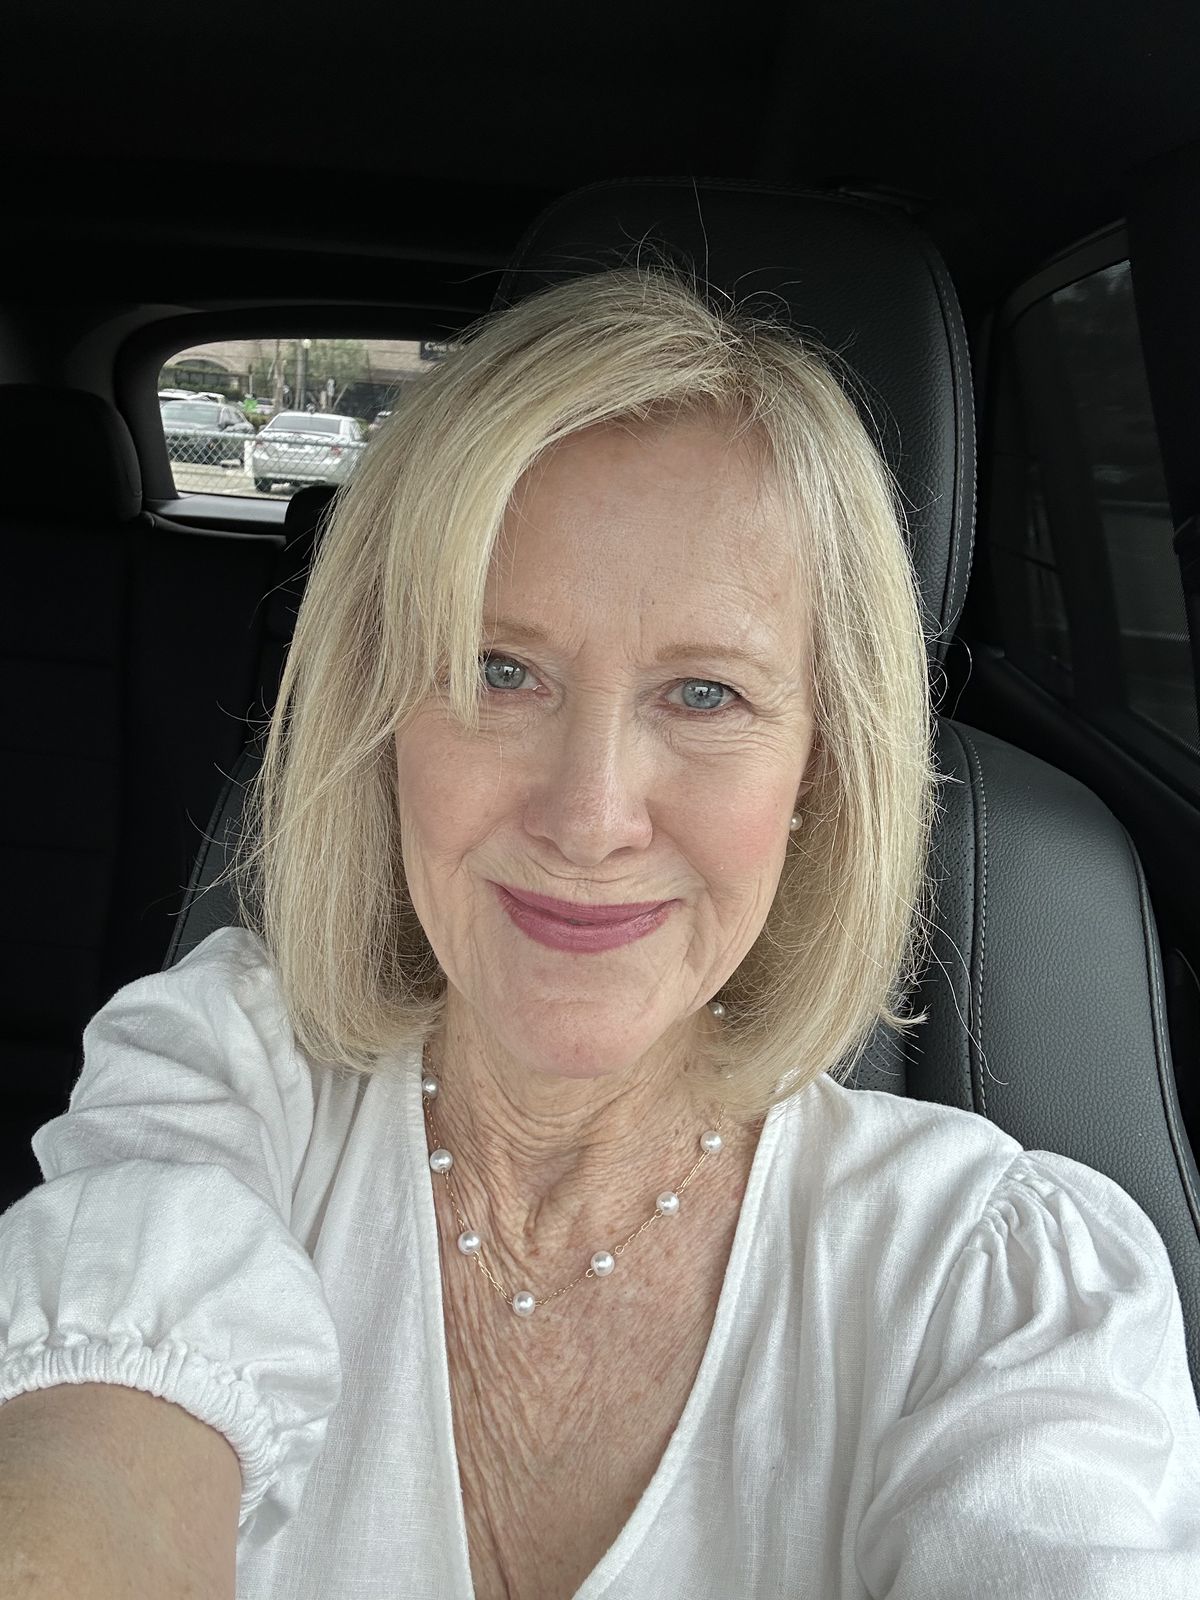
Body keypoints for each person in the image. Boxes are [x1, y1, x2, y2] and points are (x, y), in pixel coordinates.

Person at [2, 267, 1200, 1600]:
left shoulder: (988, 1280)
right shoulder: (226, 1075)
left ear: (818, 767)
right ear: (383, 713)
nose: (589, 818)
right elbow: (92, 1467)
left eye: (705, 693)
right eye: (498, 670)